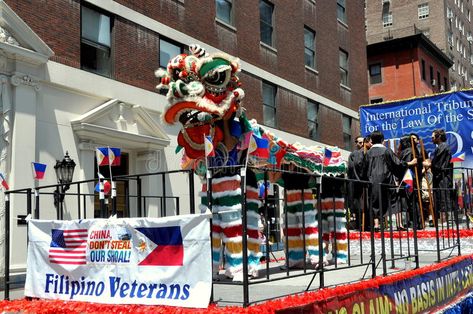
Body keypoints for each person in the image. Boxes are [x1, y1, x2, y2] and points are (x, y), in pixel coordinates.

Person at [363, 131, 417, 230]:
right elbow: (397, 164)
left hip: (372, 180)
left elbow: (364, 168)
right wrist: (409, 163)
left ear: (372, 140)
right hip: (386, 179)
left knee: (375, 201)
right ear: (382, 140)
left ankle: (376, 225)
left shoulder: (368, 153)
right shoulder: (386, 151)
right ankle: (399, 224)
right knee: (394, 200)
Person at [423, 129, 453, 225]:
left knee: (444, 196)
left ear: (438, 137)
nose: (431, 139)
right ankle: (444, 220)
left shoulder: (443, 147)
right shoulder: (440, 147)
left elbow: (438, 164)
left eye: (433, 137)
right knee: (440, 196)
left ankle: (446, 220)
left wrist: (429, 164)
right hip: (440, 176)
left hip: (443, 177)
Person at [397, 134, 423, 229]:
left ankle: (416, 222)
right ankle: (415, 222)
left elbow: (406, 166)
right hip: (410, 179)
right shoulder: (409, 151)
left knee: (412, 201)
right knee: (411, 201)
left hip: (410, 179)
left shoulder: (408, 151)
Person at [347, 136, 365, 230]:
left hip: (361, 181)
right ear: (356, 143)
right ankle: (358, 223)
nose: (361, 144)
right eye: (359, 142)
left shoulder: (366, 152)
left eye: (363, 142)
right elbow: (350, 168)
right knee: (356, 203)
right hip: (355, 181)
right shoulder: (354, 154)